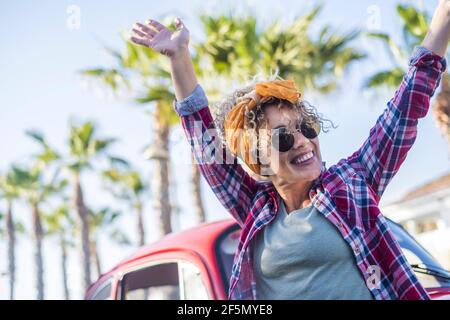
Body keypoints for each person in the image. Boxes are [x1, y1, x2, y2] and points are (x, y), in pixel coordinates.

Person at [130, 1, 450, 299]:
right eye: (282, 138)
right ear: (259, 161)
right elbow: (205, 145)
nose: (301, 140)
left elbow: (404, 109)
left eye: (306, 127)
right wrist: (179, 58)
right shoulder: (254, 209)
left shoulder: (351, 184)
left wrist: (443, 18)